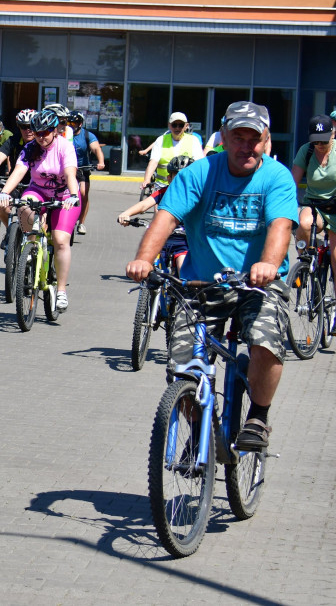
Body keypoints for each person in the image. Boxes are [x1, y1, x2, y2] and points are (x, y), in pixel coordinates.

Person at [126, 101, 298, 452]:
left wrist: (267, 265)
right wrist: (144, 259)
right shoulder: (199, 173)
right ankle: (205, 431)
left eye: (254, 137)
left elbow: (280, 226)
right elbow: (167, 217)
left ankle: (258, 418)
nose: (246, 145)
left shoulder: (276, 177)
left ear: (265, 139)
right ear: (223, 137)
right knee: (181, 365)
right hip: (201, 286)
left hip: (257, 286)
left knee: (265, 340)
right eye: (238, 137)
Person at [0, 108, 81, 311]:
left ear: (54, 131)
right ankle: (31, 251)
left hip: (65, 196)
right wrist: (5, 193)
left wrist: (74, 195)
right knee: (24, 207)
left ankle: (61, 291)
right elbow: (19, 172)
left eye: (45, 132)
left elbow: (70, 174)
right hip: (39, 191)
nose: (41, 137)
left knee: (60, 241)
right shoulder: (30, 148)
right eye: (38, 132)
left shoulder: (64, 147)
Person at [116, 154, 194, 272]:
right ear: (169, 178)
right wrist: (126, 213)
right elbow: (144, 205)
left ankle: (184, 289)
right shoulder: (164, 192)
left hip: (182, 242)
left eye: (186, 177)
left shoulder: (195, 196)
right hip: (160, 239)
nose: (182, 181)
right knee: (147, 269)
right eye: (177, 176)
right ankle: (147, 289)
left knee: (183, 268)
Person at [0, 108, 35, 241]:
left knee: (31, 216)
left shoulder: (41, 142)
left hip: (36, 185)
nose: (27, 130)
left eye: (31, 126)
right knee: (0, 205)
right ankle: (11, 230)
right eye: (23, 127)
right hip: (16, 182)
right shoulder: (13, 140)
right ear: (18, 127)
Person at [291, 115, 336, 278]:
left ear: (332, 134)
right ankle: (305, 260)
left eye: (323, 141)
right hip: (314, 204)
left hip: (335, 206)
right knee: (303, 224)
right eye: (316, 141)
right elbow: (292, 183)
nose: (319, 145)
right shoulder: (307, 150)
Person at [141, 112, 204, 191]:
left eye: (181, 125)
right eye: (174, 125)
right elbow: (153, 162)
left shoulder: (194, 141)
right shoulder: (161, 140)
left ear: (186, 126)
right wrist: (147, 180)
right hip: (162, 185)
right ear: (169, 125)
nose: (177, 128)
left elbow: (199, 164)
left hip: (185, 185)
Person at [66, 111, 105, 235]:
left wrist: (101, 161)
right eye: (69, 122)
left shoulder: (87, 135)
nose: (71, 125)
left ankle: (81, 223)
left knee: (83, 193)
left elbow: (96, 148)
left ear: (80, 124)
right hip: (68, 168)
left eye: (74, 122)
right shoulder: (65, 134)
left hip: (83, 168)